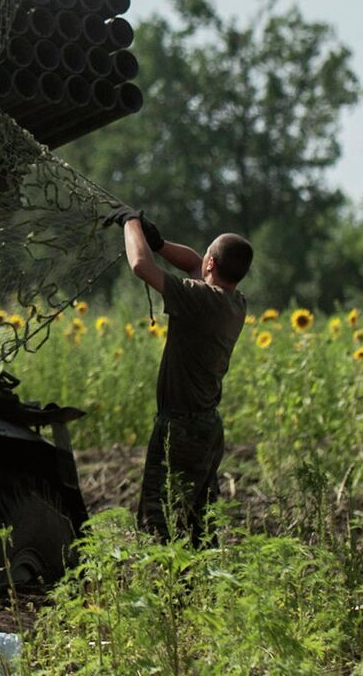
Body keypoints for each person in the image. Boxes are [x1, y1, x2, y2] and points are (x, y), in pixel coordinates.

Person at [114, 208, 253, 542]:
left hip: (180, 430)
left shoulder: (201, 300)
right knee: (198, 524)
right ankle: (200, 588)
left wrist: (129, 222)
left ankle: (173, 589)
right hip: (206, 428)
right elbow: (193, 263)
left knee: (161, 522)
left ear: (211, 266)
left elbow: (140, 266)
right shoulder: (235, 302)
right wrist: (159, 242)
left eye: (206, 257)